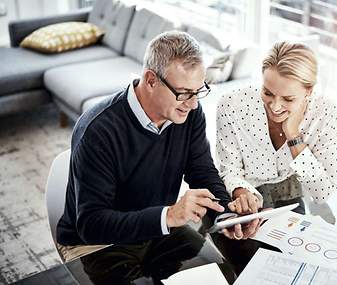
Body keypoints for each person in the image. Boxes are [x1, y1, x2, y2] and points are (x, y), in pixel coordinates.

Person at [56, 31, 259, 264]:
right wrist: (169, 215)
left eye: (199, 91)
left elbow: (202, 172)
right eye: (184, 94)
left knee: (222, 272)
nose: (193, 104)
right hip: (97, 243)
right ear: (151, 80)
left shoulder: (189, 114)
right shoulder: (98, 130)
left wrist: (227, 216)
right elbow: (91, 225)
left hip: (159, 228)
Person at [216, 41, 337, 213]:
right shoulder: (232, 105)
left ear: (309, 91)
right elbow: (229, 170)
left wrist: (293, 135)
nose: (275, 107)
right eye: (267, 93)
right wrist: (243, 194)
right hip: (242, 191)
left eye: (288, 99)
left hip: (290, 192)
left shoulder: (325, 113)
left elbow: (322, 193)